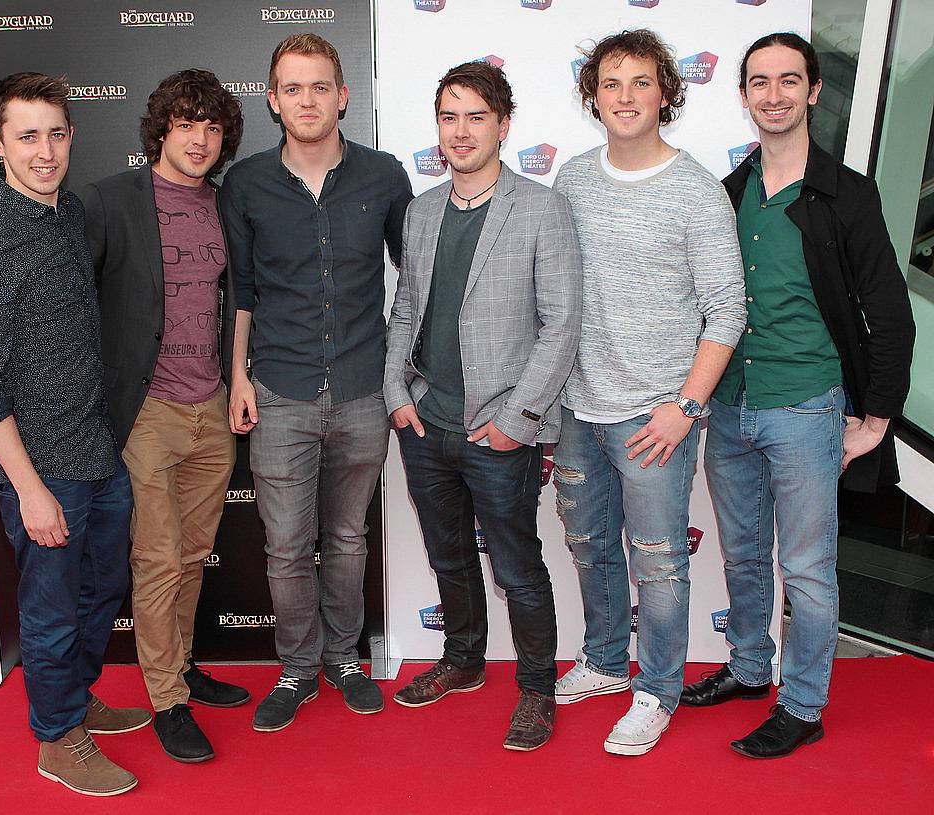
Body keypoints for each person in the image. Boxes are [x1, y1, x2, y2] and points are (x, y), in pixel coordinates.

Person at [679, 32, 915, 759]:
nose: (774, 94)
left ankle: (804, 704)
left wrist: (876, 416)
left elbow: (890, 310)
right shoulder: (729, 193)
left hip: (808, 405)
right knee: (744, 555)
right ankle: (751, 668)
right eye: (759, 81)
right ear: (744, 94)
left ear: (813, 92)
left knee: (806, 569)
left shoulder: (847, 194)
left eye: (789, 80)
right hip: (731, 404)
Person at [0, 72, 148, 796]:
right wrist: (29, 490)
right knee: (54, 607)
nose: (45, 150)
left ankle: (75, 697)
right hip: (43, 469)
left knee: (103, 589)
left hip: (97, 450)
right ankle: (57, 737)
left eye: (56, 133)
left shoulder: (67, 215)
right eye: (27, 136)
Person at [551, 30, 746, 756]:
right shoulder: (571, 178)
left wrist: (685, 406)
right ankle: (605, 660)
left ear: (666, 91)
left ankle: (656, 688)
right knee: (589, 543)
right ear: (592, 95)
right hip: (578, 405)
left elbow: (727, 309)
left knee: (658, 560)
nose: (625, 97)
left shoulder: (696, 190)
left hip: (656, 413)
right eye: (610, 83)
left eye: (640, 82)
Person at [385, 60, 581, 752]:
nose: (460, 131)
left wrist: (518, 420)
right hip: (425, 424)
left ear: (503, 125)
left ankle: (536, 688)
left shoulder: (541, 208)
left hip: (500, 430)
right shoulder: (422, 209)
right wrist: (396, 396)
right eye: (448, 116)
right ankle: (463, 660)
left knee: (518, 566)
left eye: (476, 116)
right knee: (448, 556)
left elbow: (562, 324)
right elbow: (405, 308)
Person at [220, 33, 413, 732]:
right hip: (278, 389)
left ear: (343, 95)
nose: (307, 100)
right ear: (272, 100)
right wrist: (237, 374)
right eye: (292, 88)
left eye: (320, 86)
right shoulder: (245, 184)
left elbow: (414, 282)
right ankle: (298, 667)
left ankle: (345, 659)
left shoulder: (385, 176)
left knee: (349, 537)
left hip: (363, 389)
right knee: (285, 545)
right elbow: (240, 290)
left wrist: (402, 376)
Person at [81, 69, 249, 765]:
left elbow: (238, 300)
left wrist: (238, 379)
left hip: (211, 408)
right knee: (155, 562)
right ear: (160, 129)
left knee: (188, 558)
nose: (200, 138)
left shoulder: (226, 204)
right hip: (145, 413)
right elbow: (74, 306)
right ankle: (166, 700)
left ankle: (179, 668)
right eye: (186, 124)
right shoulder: (109, 201)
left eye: (211, 126)